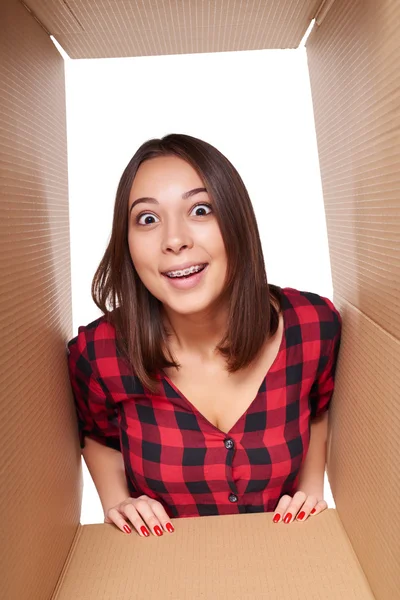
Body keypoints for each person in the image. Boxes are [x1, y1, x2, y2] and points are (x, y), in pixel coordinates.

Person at [67, 133, 342, 539]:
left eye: (200, 210)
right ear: (126, 243)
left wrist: (309, 490)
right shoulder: (99, 353)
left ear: (236, 221)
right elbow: (97, 434)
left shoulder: (313, 326)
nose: (175, 240)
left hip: (286, 562)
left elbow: (318, 409)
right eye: (147, 218)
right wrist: (118, 501)